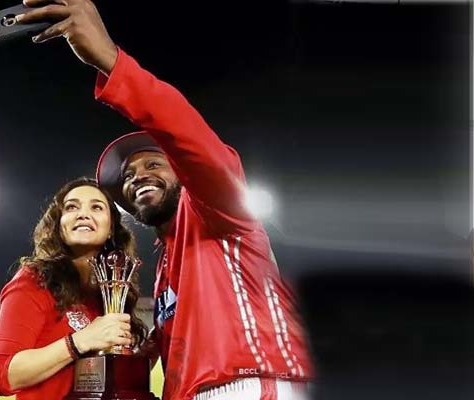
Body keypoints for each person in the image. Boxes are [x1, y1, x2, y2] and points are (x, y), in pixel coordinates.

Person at [17, 1, 314, 399]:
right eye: (128, 176)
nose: (138, 176)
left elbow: (186, 133)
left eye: (154, 164)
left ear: (184, 172)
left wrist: (111, 61)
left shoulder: (220, 212)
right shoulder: (166, 263)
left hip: (251, 385)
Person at [0, 177, 148, 399]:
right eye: (72, 207)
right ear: (59, 225)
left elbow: (112, 377)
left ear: (111, 228)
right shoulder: (35, 280)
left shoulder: (112, 294)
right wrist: (81, 340)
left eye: (96, 207)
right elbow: (2, 376)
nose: (83, 214)